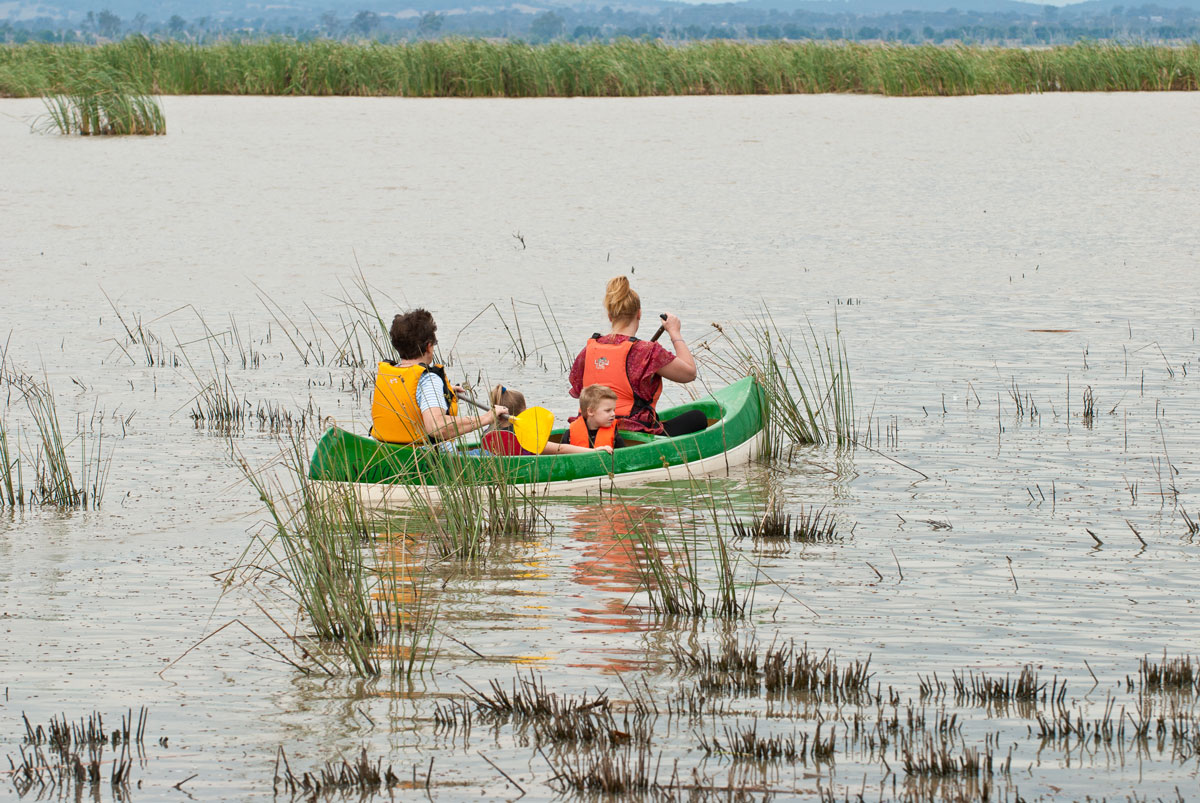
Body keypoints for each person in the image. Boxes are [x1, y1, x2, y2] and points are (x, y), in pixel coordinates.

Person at [568, 276, 707, 437]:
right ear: (639, 313)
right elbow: (689, 373)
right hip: (633, 432)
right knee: (698, 417)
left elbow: (578, 390)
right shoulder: (647, 351)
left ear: (610, 316)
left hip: (589, 431)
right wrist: (674, 331)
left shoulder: (589, 349)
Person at [370, 309, 506, 444]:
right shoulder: (429, 381)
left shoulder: (391, 373)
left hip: (385, 448)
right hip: (423, 457)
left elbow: (407, 398)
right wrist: (487, 417)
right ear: (429, 346)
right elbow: (437, 427)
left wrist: (444, 392)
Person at [484, 385, 611, 455]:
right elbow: (561, 449)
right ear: (524, 410)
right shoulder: (524, 434)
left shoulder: (488, 431)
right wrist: (594, 451)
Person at [567, 385, 628, 450]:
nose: (613, 414)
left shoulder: (615, 434)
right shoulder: (569, 433)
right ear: (590, 411)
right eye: (608, 410)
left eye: (613, 410)